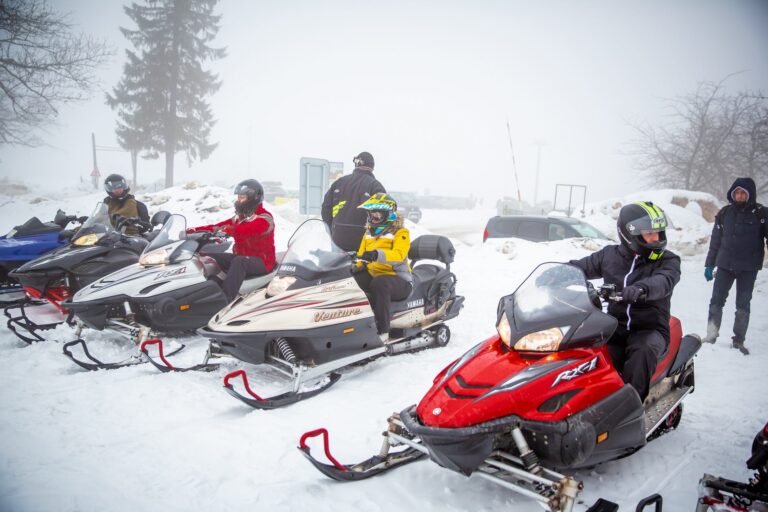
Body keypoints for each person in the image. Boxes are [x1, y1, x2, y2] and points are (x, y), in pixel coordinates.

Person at [569, 201, 681, 402]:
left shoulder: (668, 261)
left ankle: (631, 409)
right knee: (583, 351)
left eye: (658, 233)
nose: (656, 239)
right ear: (630, 235)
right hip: (614, 327)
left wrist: (642, 289)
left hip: (650, 329)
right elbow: (581, 267)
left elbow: (664, 281)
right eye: (649, 233)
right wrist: (559, 274)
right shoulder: (610, 255)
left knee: (642, 352)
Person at [703, 177, 768, 355]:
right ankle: (711, 335)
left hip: (749, 267)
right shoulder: (725, 213)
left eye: (743, 193)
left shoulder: (761, 214)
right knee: (716, 302)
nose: (739, 196)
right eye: (737, 192)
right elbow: (715, 242)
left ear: (750, 195)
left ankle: (738, 340)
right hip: (725, 265)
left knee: (743, 305)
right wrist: (709, 264)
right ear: (733, 194)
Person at [187, 179, 276, 302]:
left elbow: (247, 231)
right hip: (242, 257)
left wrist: (230, 230)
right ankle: (209, 287)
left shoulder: (265, 218)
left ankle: (226, 298)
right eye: (238, 197)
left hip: (262, 262)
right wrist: (193, 231)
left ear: (253, 198)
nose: (238, 201)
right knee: (206, 256)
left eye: (242, 198)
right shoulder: (239, 218)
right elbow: (217, 226)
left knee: (240, 262)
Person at [354, 193, 412, 343]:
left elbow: (398, 254)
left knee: (380, 283)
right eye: (372, 213)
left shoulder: (401, 232)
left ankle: (383, 331)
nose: (375, 217)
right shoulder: (368, 233)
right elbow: (360, 256)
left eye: (378, 213)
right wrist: (350, 265)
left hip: (399, 280)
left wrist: (376, 254)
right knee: (350, 280)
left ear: (389, 214)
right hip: (375, 275)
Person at [321, 151, 386, 251]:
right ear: (372, 167)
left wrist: (333, 227)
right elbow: (384, 213)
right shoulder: (375, 185)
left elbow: (326, 208)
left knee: (337, 265)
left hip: (338, 238)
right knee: (361, 266)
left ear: (356, 164)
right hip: (363, 240)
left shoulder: (339, 182)